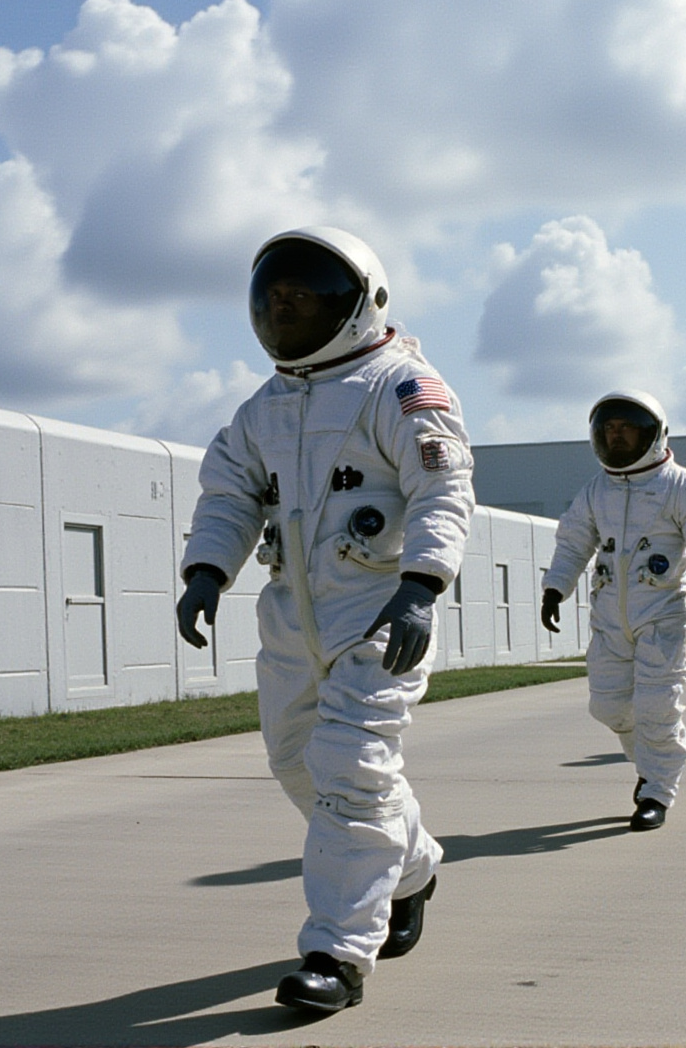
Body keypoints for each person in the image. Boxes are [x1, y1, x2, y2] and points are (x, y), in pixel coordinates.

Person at [176, 226, 474, 1015]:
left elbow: (444, 490)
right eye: (275, 296)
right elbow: (229, 495)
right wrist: (206, 569)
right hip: (292, 618)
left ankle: (337, 953)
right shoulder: (265, 408)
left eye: (302, 295)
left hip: (377, 611)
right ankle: (409, 868)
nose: (285, 307)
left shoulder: (400, 387)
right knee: (297, 763)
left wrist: (421, 584)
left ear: (357, 301)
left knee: (349, 764)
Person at [541, 391, 686, 832]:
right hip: (608, 615)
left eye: (626, 428)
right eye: (608, 429)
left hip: (661, 615)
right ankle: (651, 760)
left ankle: (656, 789)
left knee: (657, 707)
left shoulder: (680, 486)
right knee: (607, 706)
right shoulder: (597, 490)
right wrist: (554, 588)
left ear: (654, 434)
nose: (616, 435)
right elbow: (573, 544)